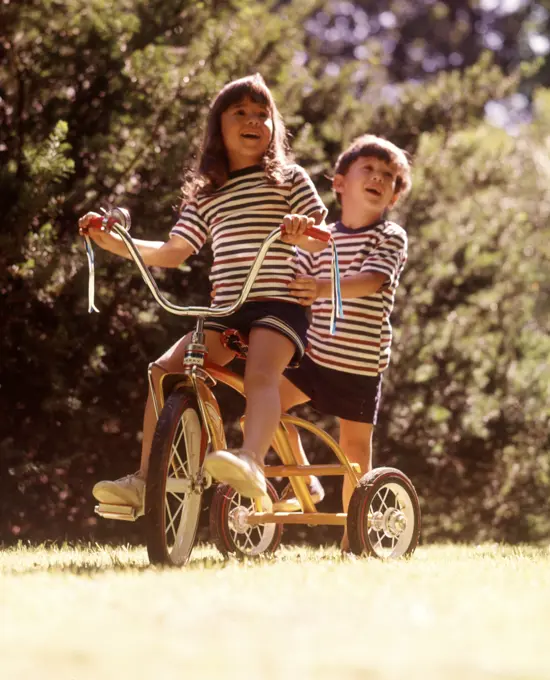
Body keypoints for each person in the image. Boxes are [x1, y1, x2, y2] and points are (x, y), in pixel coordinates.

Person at [79, 74, 328, 509]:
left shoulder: (289, 178)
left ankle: (250, 459)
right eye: (240, 113)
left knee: (261, 376)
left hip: (278, 305)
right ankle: (145, 481)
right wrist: (116, 244)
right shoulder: (207, 193)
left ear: (274, 126)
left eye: (261, 113)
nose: (253, 120)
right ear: (219, 127)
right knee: (165, 371)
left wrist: (298, 230)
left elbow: (318, 235)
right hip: (228, 310)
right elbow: (174, 251)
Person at [275, 134, 412, 551]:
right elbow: (291, 281)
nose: (377, 178)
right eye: (367, 170)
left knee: (355, 458)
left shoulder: (389, 236)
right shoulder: (320, 238)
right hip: (315, 357)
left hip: (359, 366)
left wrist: (318, 288)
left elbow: (371, 281)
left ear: (392, 196)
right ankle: (305, 482)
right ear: (339, 183)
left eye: (387, 176)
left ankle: (353, 540)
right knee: (260, 408)